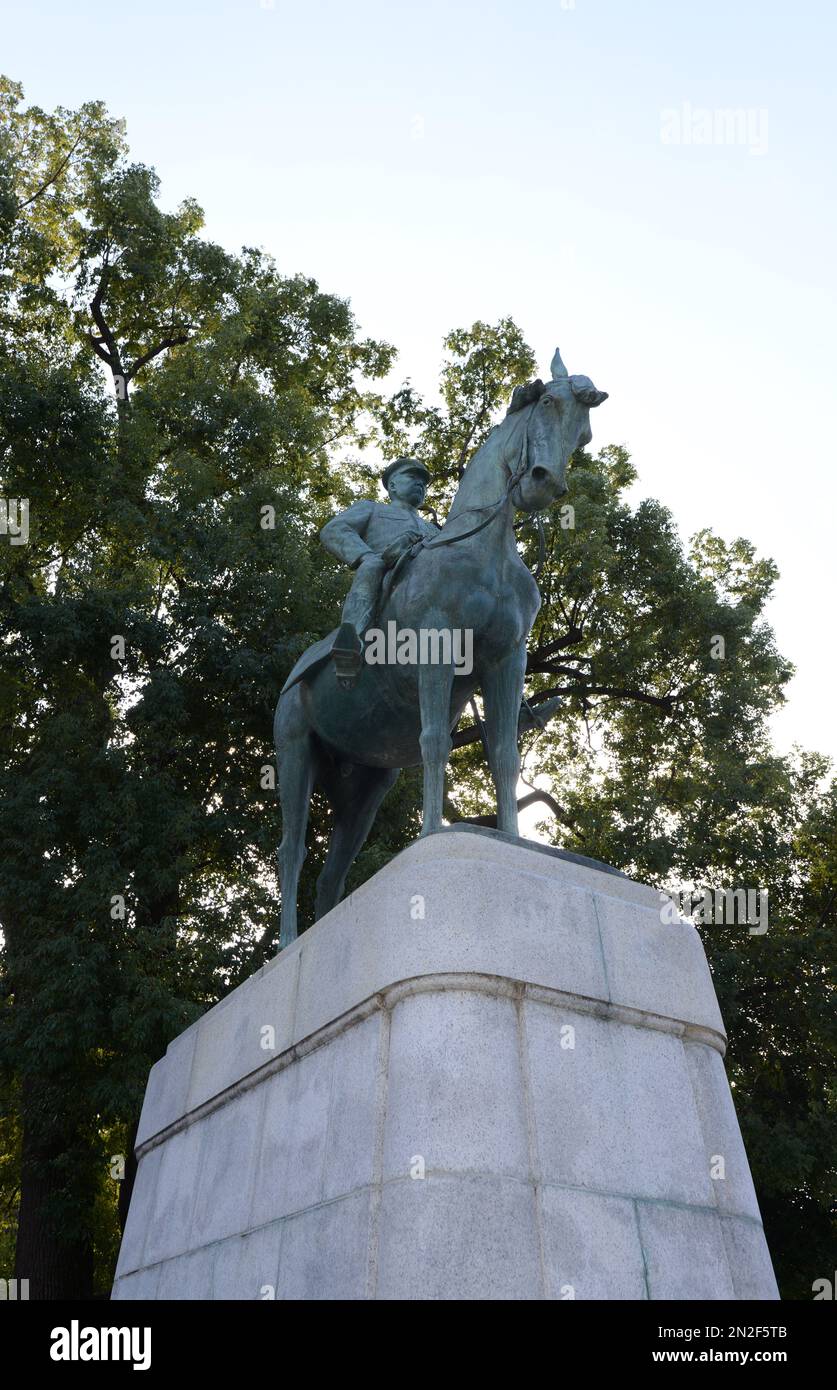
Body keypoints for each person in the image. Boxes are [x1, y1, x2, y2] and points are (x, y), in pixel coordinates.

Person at [320, 457, 438, 686]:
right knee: (371, 567)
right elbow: (334, 530)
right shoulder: (372, 509)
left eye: (424, 482)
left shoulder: (433, 528)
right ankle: (351, 640)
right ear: (392, 485)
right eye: (413, 477)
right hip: (386, 570)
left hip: (430, 583)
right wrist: (365, 556)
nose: (420, 484)